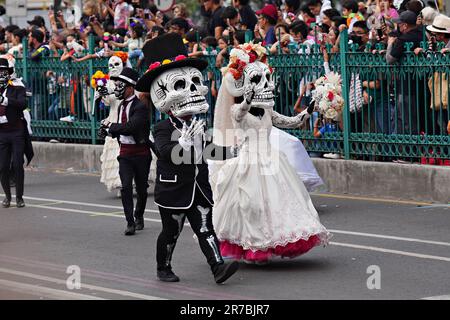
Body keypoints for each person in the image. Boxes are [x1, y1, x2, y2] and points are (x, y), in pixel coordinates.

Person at [210, 43, 330, 264]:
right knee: (250, 205)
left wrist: (308, 111)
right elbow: (242, 110)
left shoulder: (267, 110)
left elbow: (291, 122)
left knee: (279, 202)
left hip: (271, 160)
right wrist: (248, 96)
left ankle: (275, 241)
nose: (265, 85)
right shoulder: (237, 110)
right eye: (256, 80)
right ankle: (252, 245)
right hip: (249, 162)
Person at [135, 32, 239, 284]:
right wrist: (180, 144)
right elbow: (163, 152)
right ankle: (163, 267)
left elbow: (207, 151)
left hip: (198, 188)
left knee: (205, 229)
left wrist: (231, 152)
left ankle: (218, 267)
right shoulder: (161, 128)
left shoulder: (197, 124)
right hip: (173, 190)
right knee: (171, 233)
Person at [99, 67, 152, 236]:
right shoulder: (121, 105)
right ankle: (130, 222)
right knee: (126, 187)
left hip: (141, 153)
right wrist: (107, 130)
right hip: (126, 153)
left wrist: (111, 128)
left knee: (142, 189)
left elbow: (130, 127)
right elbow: (120, 128)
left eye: (121, 84)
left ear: (130, 87)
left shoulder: (140, 107)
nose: (118, 87)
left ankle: (139, 216)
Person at [0, 58, 27, 208]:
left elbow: (23, 104)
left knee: (17, 164)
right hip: (1, 133)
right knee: (2, 167)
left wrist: (5, 100)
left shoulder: (17, 88)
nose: (1, 74)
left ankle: (19, 198)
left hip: (16, 131)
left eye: (4, 71)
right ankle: (7, 197)